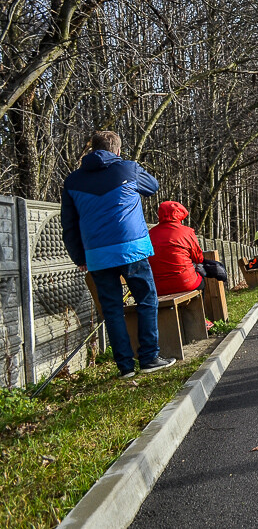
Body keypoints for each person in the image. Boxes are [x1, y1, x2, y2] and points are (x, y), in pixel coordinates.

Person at [61, 131, 174, 378]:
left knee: (112, 309)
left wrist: (79, 257)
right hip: (131, 248)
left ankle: (124, 367)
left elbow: (68, 224)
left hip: (97, 254)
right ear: (118, 151)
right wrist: (128, 169)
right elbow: (153, 187)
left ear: (91, 150)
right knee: (146, 299)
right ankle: (149, 357)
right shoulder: (128, 169)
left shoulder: (72, 181)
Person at [148, 201, 206, 296]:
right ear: (180, 214)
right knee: (202, 282)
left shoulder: (150, 234)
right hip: (185, 283)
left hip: (158, 288)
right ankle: (200, 310)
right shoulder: (187, 232)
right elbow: (199, 258)